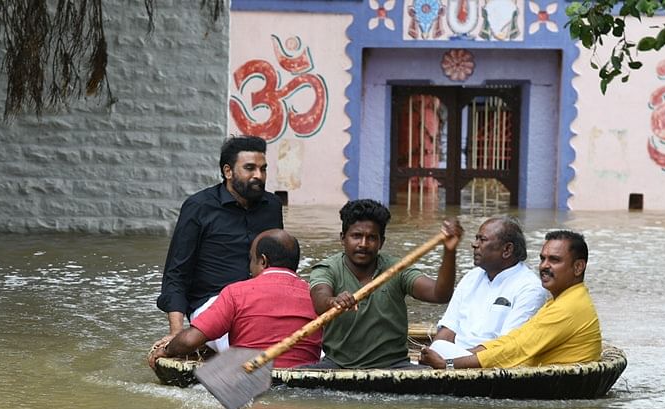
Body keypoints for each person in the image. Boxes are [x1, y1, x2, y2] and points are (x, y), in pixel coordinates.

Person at [154, 135, 283, 352]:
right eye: (250, 168)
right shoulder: (198, 207)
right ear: (228, 171)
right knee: (247, 347)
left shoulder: (272, 206)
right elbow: (176, 274)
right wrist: (177, 333)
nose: (258, 176)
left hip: (263, 303)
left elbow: (279, 265)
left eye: (263, 169)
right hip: (212, 304)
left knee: (311, 348)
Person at [306, 199, 463, 369]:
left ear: (381, 242)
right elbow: (320, 300)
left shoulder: (397, 269)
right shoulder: (328, 268)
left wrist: (450, 251)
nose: (363, 244)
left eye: (371, 238)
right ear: (343, 238)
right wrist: (333, 301)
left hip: (394, 366)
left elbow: (440, 295)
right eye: (356, 236)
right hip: (337, 365)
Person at [420, 229, 601, 369]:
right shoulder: (559, 301)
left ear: (578, 267)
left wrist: (449, 364)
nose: (544, 266)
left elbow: (516, 349)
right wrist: (466, 355)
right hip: (501, 360)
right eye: (542, 259)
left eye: (554, 260)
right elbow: (514, 339)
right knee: (441, 347)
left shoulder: (567, 307)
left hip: (542, 382)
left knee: (441, 350)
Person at [147, 230, 321, 369]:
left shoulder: (236, 293)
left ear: (263, 261)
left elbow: (188, 341)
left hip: (249, 380)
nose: (250, 267)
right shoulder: (317, 296)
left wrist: (166, 350)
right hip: (305, 382)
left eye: (251, 260)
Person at [428, 216, 548, 359]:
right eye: (476, 238)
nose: (474, 244)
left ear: (507, 250)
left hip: (487, 363)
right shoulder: (472, 277)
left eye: (482, 240)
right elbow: (448, 328)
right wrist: (433, 355)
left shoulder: (530, 288)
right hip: (451, 359)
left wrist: (449, 362)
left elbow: (506, 347)